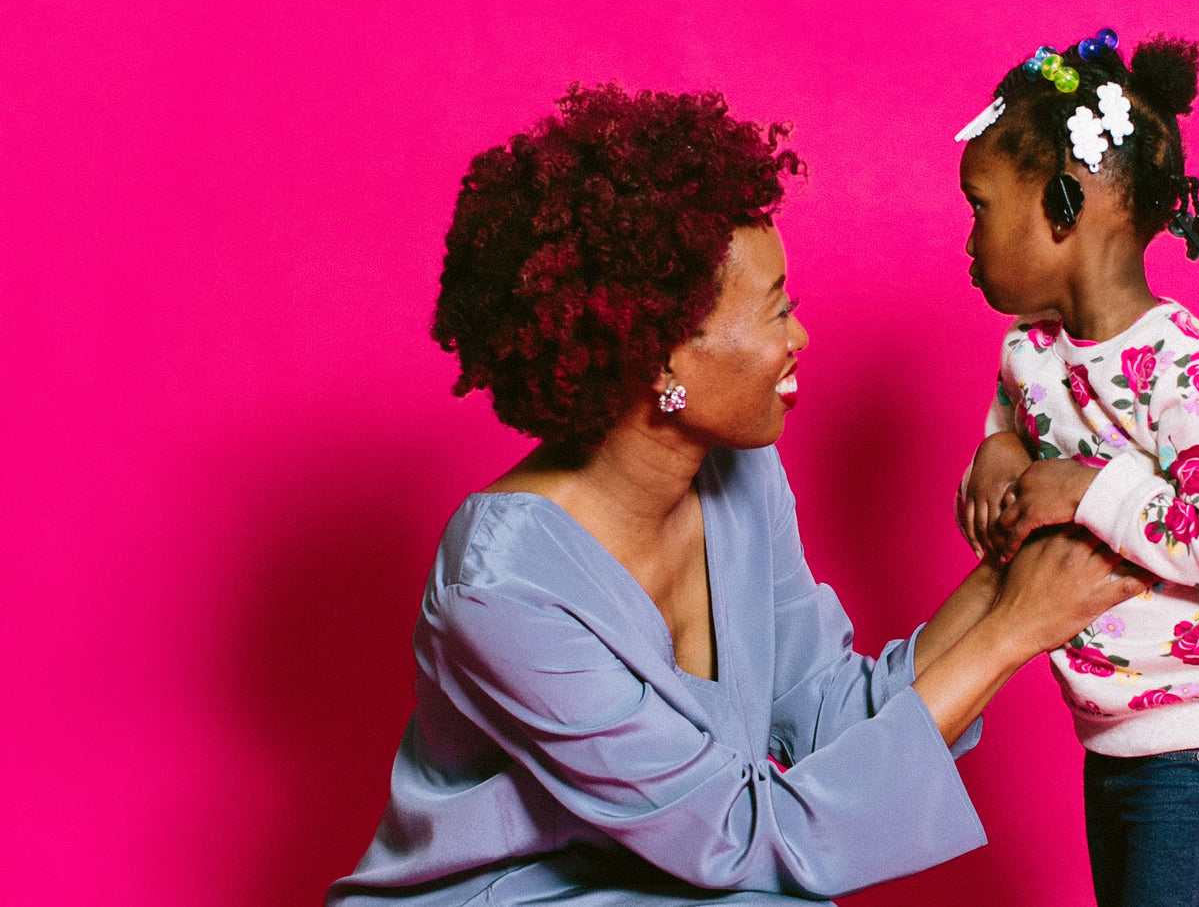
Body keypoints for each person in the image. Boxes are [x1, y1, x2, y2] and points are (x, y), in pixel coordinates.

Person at [327, 83, 1148, 906]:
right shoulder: (504, 590)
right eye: (775, 309)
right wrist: (1009, 633)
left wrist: (1012, 565)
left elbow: (826, 713)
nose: (800, 338)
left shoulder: (735, 471)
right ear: (660, 360)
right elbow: (741, 838)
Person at [951, 31, 1199, 907]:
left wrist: (1089, 489)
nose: (968, 235)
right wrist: (997, 451)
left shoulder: (1196, 375)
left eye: (981, 205)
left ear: (1063, 209)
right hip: (1115, 731)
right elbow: (1020, 422)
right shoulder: (1030, 352)